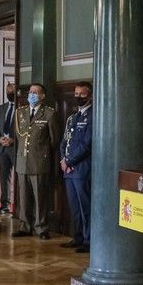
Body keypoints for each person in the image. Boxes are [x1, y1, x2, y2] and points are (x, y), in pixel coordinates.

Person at [11, 83, 58, 240]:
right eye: (31, 92)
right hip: (22, 161)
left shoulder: (49, 114)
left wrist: (42, 154)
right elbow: (19, 137)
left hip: (39, 162)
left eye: (36, 92)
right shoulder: (20, 113)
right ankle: (25, 226)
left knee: (40, 197)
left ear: (42, 96)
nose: (32, 95)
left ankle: (41, 227)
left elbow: (54, 140)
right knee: (23, 198)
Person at [60, 82, 93, 252]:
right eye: (76, 93)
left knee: (85, 207)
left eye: (82, 94)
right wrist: (63, 160)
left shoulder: (93, 116)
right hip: (69, 170)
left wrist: (69, 161)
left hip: (82, 170)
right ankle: (78, 237)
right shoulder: (73, 117)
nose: (78, 97)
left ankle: (88, 241)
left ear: (90, 95)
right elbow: (64, 141)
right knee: (74, 207)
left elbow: (87, 145)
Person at [0, 83, 17, 214]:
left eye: (12, 91)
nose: (9, 94)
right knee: (4, 177)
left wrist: (13, 139)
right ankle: (5, 205)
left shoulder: (22, 108)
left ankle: (18, 205)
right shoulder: (2, 108)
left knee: (18, 177)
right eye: (8, 92)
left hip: (15, 148)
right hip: (2, 148)